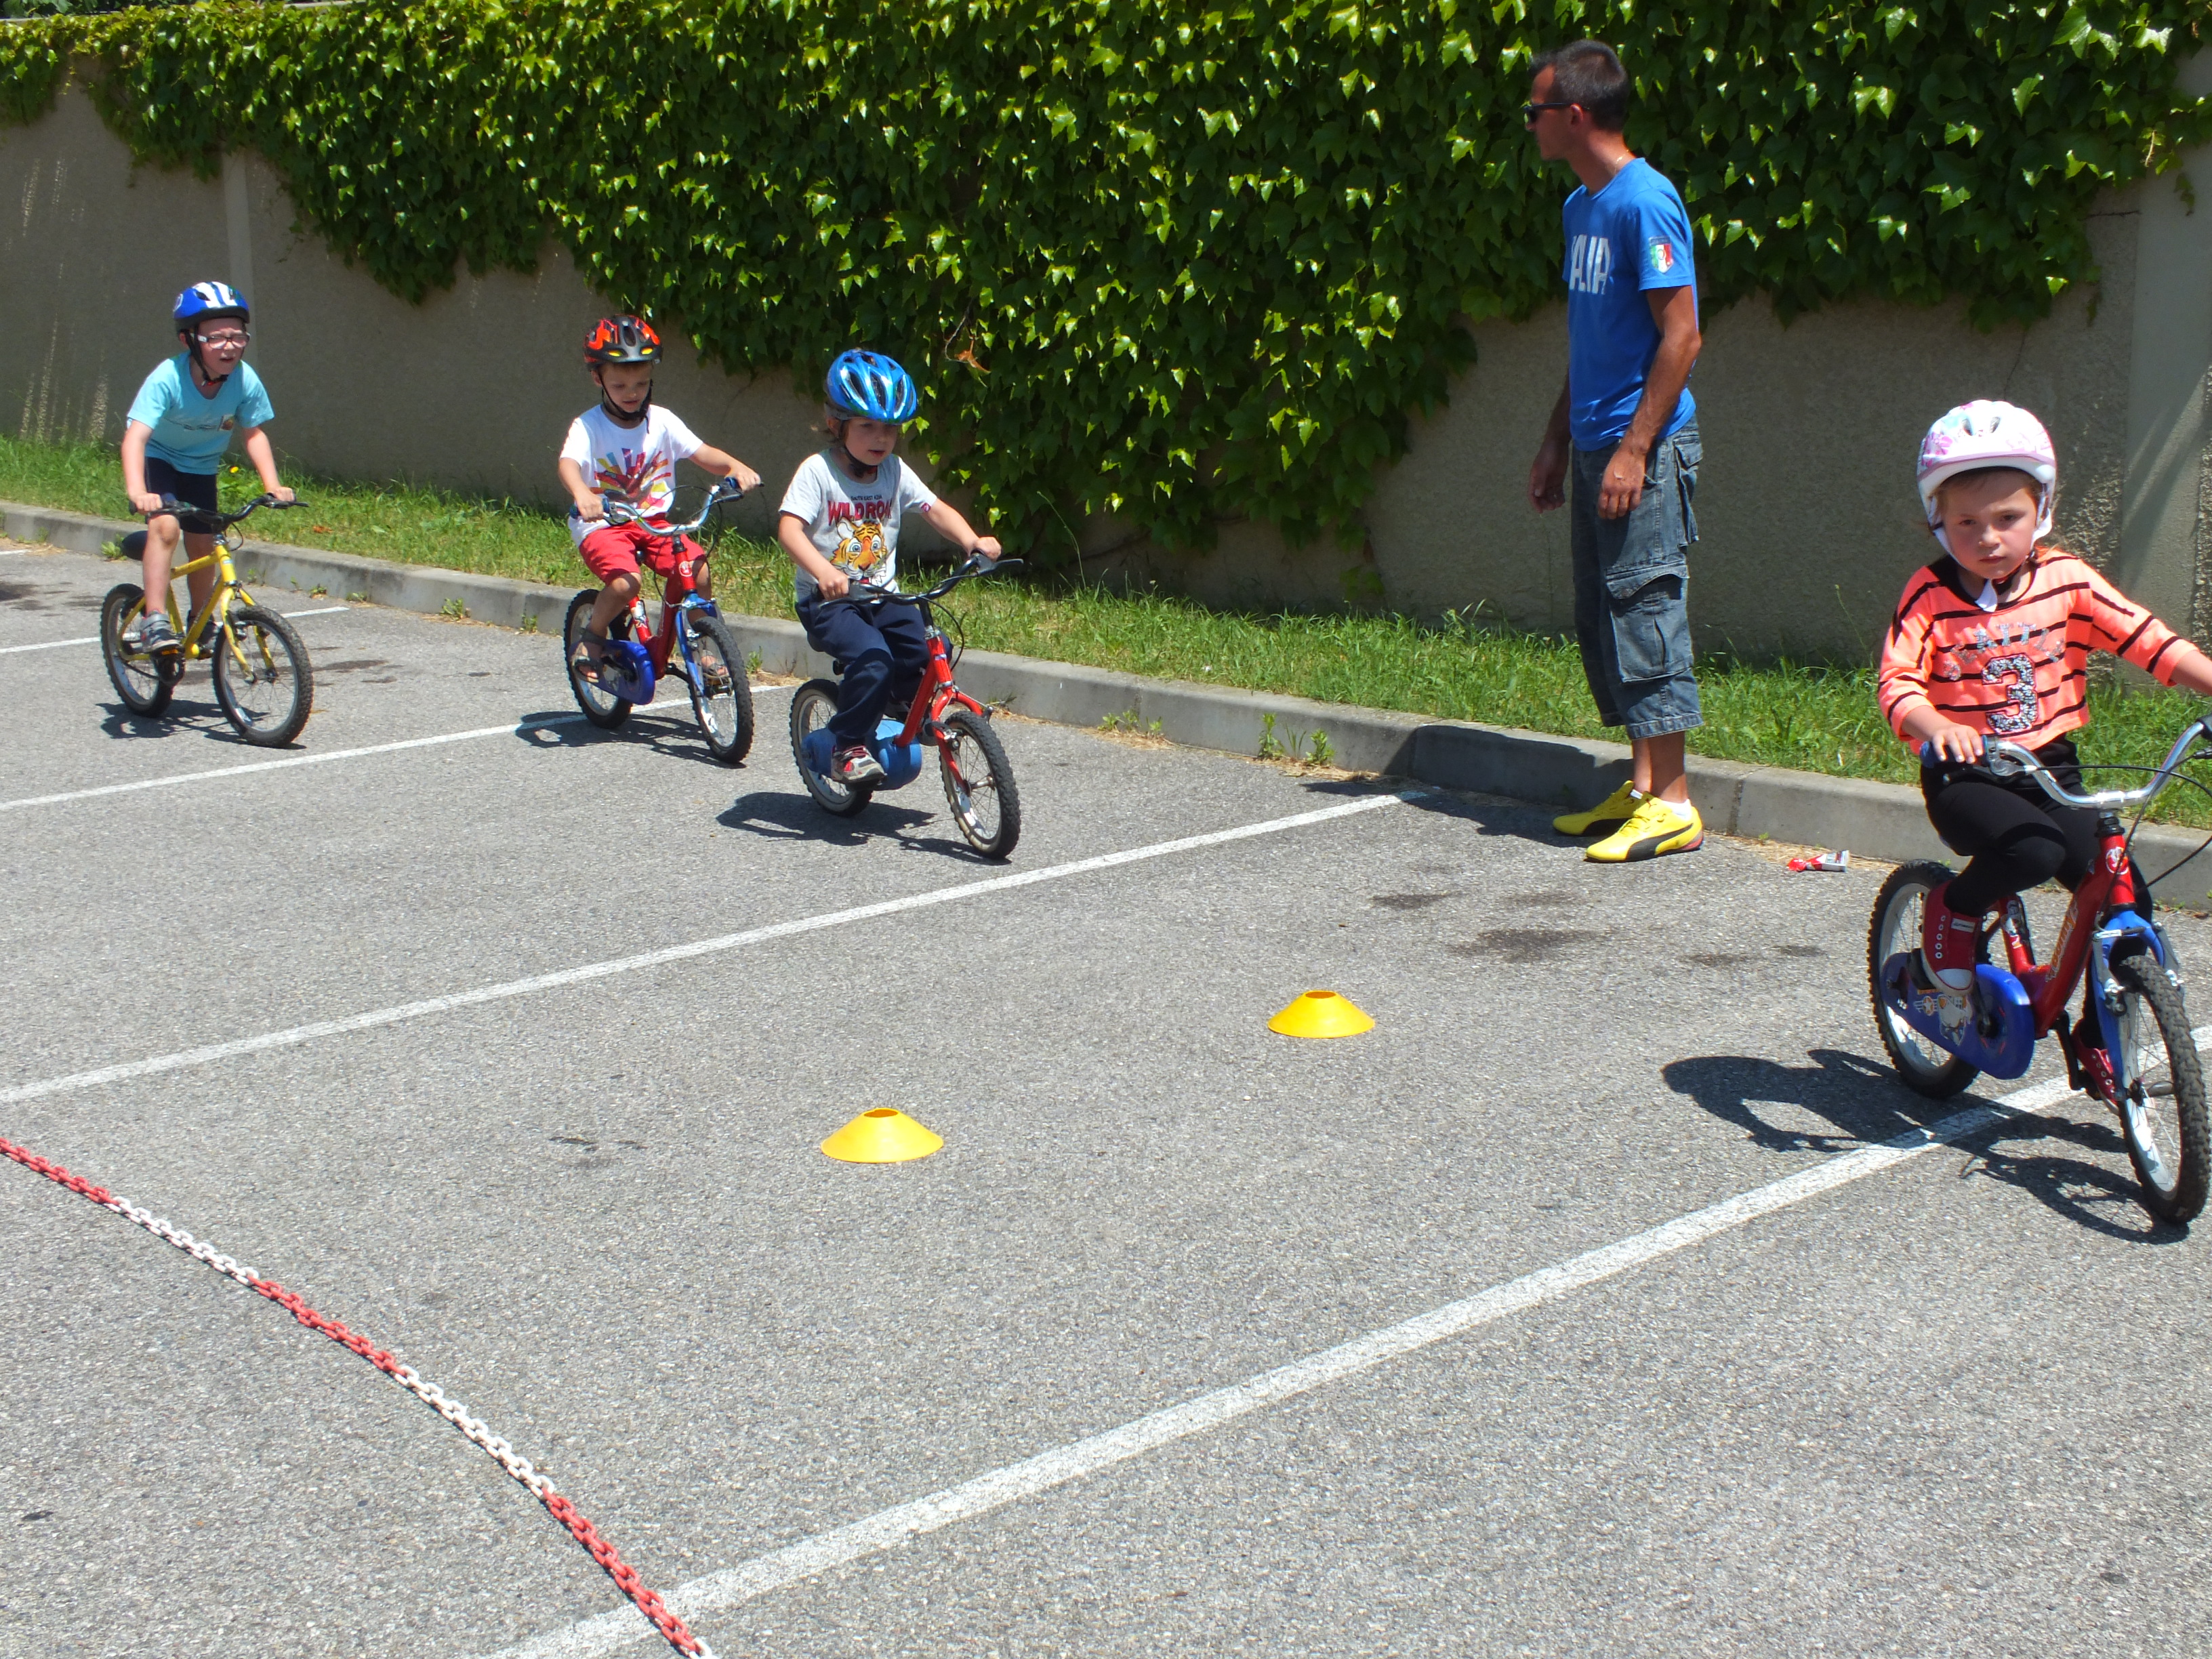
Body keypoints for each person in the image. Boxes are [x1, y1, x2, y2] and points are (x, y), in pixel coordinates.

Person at [1878, 399, 2212, 1002]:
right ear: (1938, 521)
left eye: (2008, 518)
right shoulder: (1930, 595)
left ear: (2042, 511)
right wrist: (1935, 727)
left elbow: (2149, 641)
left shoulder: (2068, 580)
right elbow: (1897, 682)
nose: (1988, 538)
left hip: (2051, 770)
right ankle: (1953, 909)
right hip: (1967, 775)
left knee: (2122, 892)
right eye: (1966, 523)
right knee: (2032, 851)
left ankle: (2104, 1030)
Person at [1524, 41, 1707, 863]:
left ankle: (1675, 802)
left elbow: (1683, 336)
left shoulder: (1646, 201)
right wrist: (1556, 439)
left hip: (1646, 447)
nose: (1529, 125)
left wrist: (1636, 450)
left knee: (1646, 609)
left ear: (1574, 115)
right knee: (1605, 616)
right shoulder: (1580, 207)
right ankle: (1641, 786)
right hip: (1597, 441)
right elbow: (1592, 340)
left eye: (1535, 112)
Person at [775, 349, 1002, 784]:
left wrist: (971, 540)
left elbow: (934, 508)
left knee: (931, 648)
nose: (881, 438)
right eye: (867, 426)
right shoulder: (818, 472)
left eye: (891, 429)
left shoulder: (894, 471)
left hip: (882, 596)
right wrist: (823, 571)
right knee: (874, 659)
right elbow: (789, 530)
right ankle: (845, 745)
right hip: (830, 602)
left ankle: (902, 708)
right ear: (836, 424)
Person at [558, 314, 762, 680]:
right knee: (626, 583)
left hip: (653, 523)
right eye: (620, 385)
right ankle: (592, 636)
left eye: (641, 383)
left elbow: (703, 453)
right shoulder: (588, 426)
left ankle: (700, 644)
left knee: (696, 569)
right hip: (603, 524)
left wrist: (735, 467)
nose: (632, 393)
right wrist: (581, 493)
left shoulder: (662, 421)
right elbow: (569, 464)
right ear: (598, 379)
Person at [120, 282, 294, 649]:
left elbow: (254, 433)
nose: (229, 346)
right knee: (166, 527)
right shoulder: (167, 377)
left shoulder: (244, 380)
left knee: (204, 543)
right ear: (188, 340)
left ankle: (201, 621)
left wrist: (273, 485)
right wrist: (138, 492)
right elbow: (135, 438)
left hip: (201, 467)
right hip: (159, 458)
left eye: (237, 336)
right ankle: (154, 620)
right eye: (215, 338)